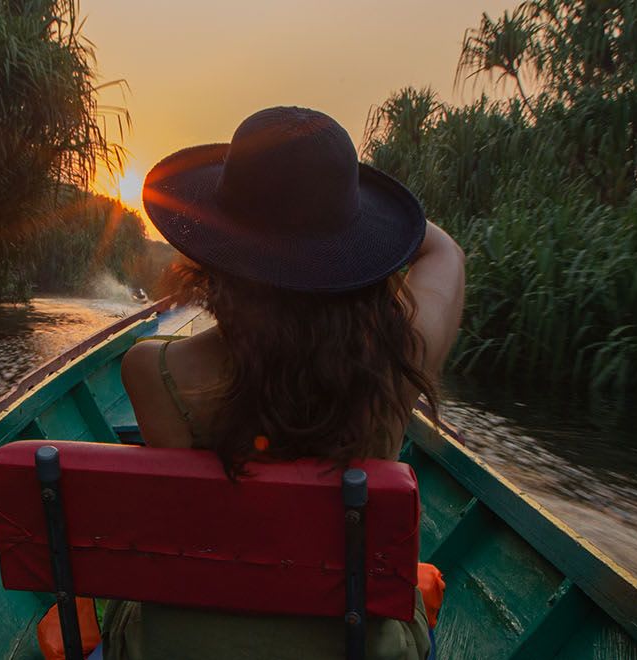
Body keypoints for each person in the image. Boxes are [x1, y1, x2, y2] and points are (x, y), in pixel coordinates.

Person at [105, 106, 466, 660]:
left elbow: (187, 527)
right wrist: (354, 212)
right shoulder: (397, 364)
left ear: (218, 257)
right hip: (353, 648)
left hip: (183, 644)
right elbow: (442, 251)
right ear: (355, 252)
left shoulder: (151, 370)